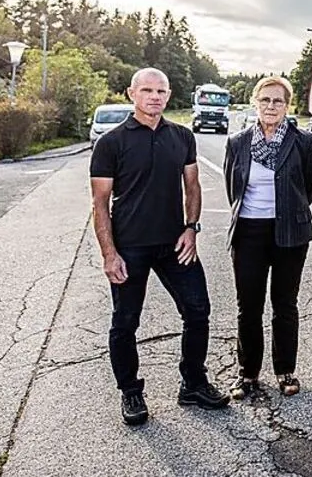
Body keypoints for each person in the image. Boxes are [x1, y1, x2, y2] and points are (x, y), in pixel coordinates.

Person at [90, 67, 228, 426]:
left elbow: (193, 187)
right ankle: (131, 392)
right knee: (125, 322)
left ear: (169, 96)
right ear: (131, 94)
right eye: (147, 90)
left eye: (161, 91)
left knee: (198, 311)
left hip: (174, 244)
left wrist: (191, 228)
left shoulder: (182, 136)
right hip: (130, 247)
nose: (155, 96)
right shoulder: (111, 143)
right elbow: (100, 204)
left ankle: (193, 383)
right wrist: (109, 254)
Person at [223, 76, 312, 400]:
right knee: (248, 306)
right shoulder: (238, 142)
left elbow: (310, 187)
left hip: (289, 233)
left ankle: (285, 370)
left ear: (287, 105)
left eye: (278, 101)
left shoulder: (304, 141)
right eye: (265, 100)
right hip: (248, 232)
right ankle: (247, 374)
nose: (271, 106)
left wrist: (289, 212)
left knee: (285, 304)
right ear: (255, 102)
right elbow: (232, 188)